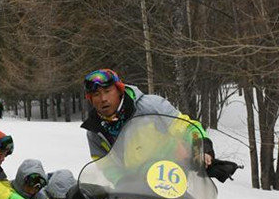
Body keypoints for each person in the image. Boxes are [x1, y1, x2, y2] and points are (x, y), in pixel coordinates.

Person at [80, 69, 213, 164]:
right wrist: (121, 182)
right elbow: (105, 166)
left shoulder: (151, 106)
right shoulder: (95, 131)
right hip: (134, 191)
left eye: (107, 91)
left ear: (119, 90)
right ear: (90, 99)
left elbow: (186, 127)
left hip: (172, 178)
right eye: (96, 94)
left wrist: (202, 149)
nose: (103, 99)